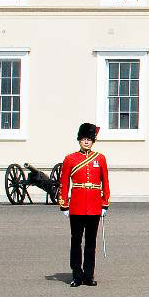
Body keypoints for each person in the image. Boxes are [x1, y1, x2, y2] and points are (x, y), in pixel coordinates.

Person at [58, 122, 110, 287]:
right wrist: (64, 203)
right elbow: (64, 182)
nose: (86, 142)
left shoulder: (100, 158)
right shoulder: (70, 159)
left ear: (93, 141)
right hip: (77, 205)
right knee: (76, 241)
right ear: (79, 140)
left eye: (89, 139)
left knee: (90, 243)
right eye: (84, 139)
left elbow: (105, 181)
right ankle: (77, 275)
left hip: (94, 205)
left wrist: (105, 203)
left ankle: (88, 275)